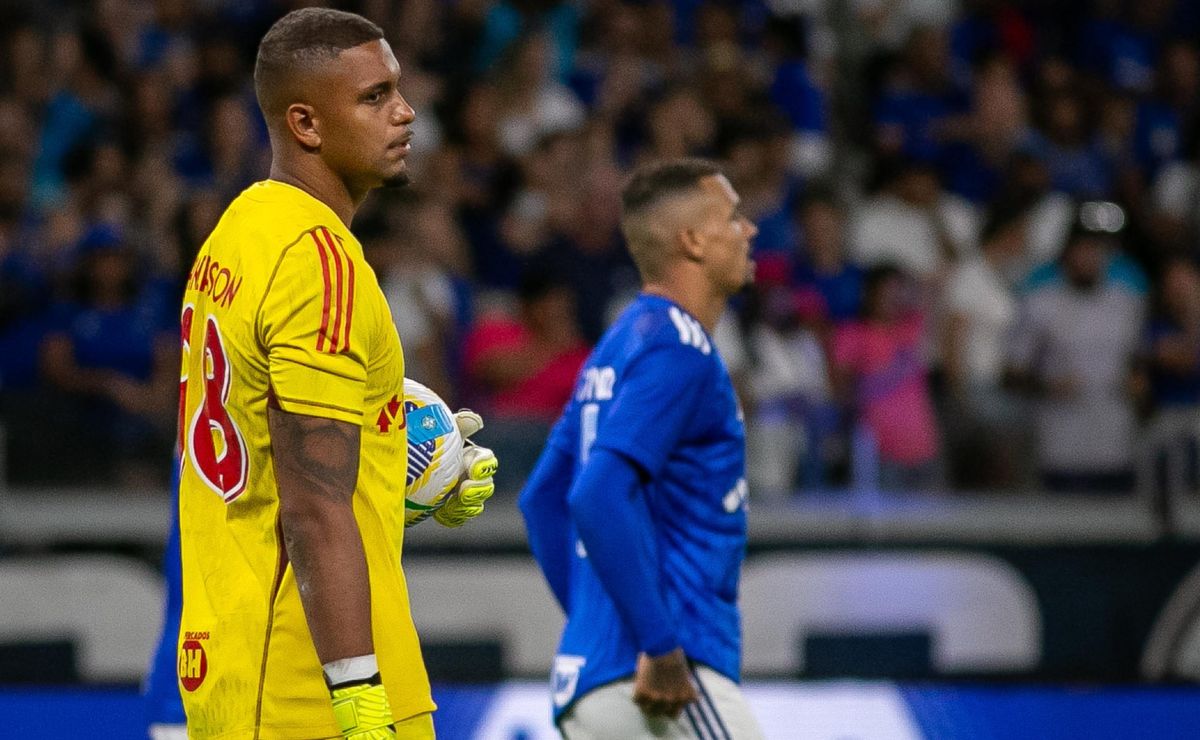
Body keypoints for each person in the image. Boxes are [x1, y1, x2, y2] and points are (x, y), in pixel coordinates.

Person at [173, 9, 496, 740]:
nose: (406, 112)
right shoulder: (321, 262)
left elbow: (261, 453)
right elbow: (313, 509)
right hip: (308, 688)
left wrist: (396, 481)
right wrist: (361, 702)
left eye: (399, 90)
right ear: (305, 124)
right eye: (375, 96)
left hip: (236, 661)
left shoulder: (238, 232)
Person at [519, 158, 764, 738]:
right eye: (732, 216)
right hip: (666, 680)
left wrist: (594, 621)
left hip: (594, 681)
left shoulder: (617, 345)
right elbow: (597, 493)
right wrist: (654, 638)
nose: (748, 230)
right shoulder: (677, 347)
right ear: (693, 240)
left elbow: (541, 498)